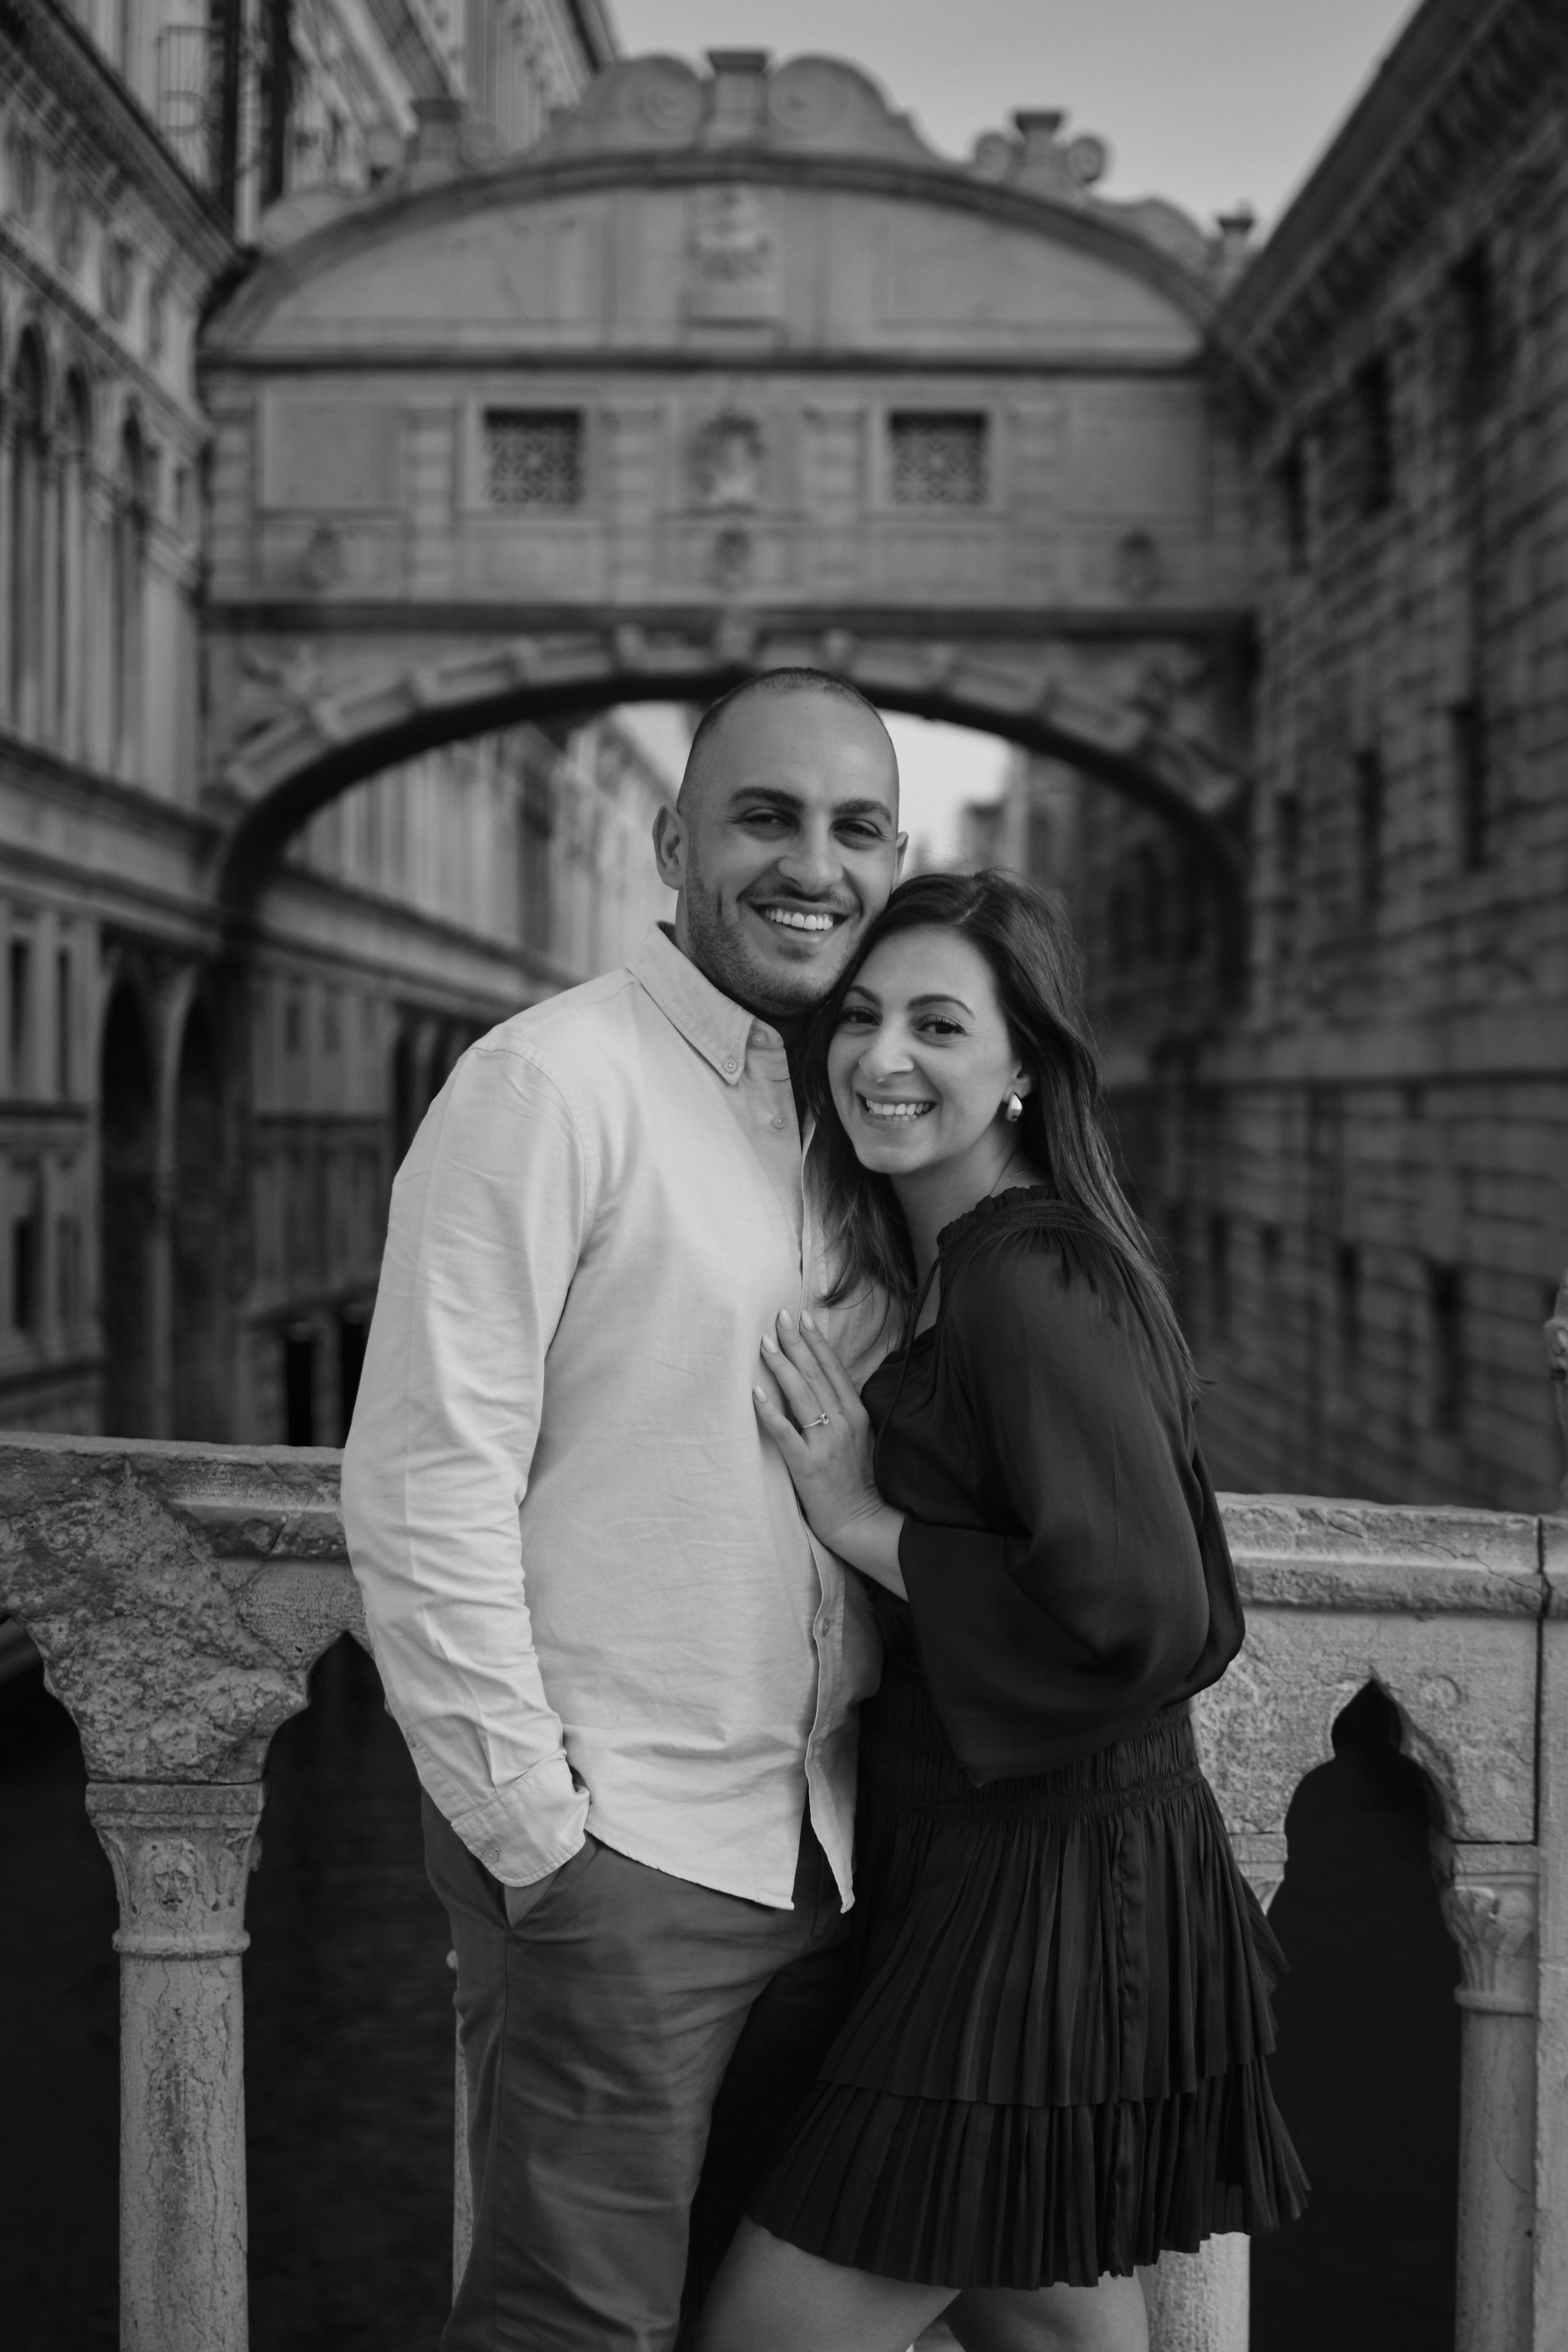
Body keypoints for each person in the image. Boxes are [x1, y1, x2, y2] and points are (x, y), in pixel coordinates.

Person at [341, 669, 907, 2352]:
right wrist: (538, 1842)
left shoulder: (845, 1116)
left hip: (834, 1857)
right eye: (766, 818)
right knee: (575, 2333)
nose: (816, 865)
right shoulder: (545, 1084)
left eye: (856, 828)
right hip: (627, 1856)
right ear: (672, 843)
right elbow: (425, 1475)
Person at [697, 870, 1307, 2352]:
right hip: (1009, 1880)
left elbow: (1155, 1612)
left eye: (936, 1024)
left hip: (1043, 1906)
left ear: (1022, 1068)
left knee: (766, 2338)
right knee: (1049, 2328)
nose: (881, 1056)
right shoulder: (965, 1264)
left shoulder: (1024, 1273)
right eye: (859, 1014)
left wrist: (860, 1519)